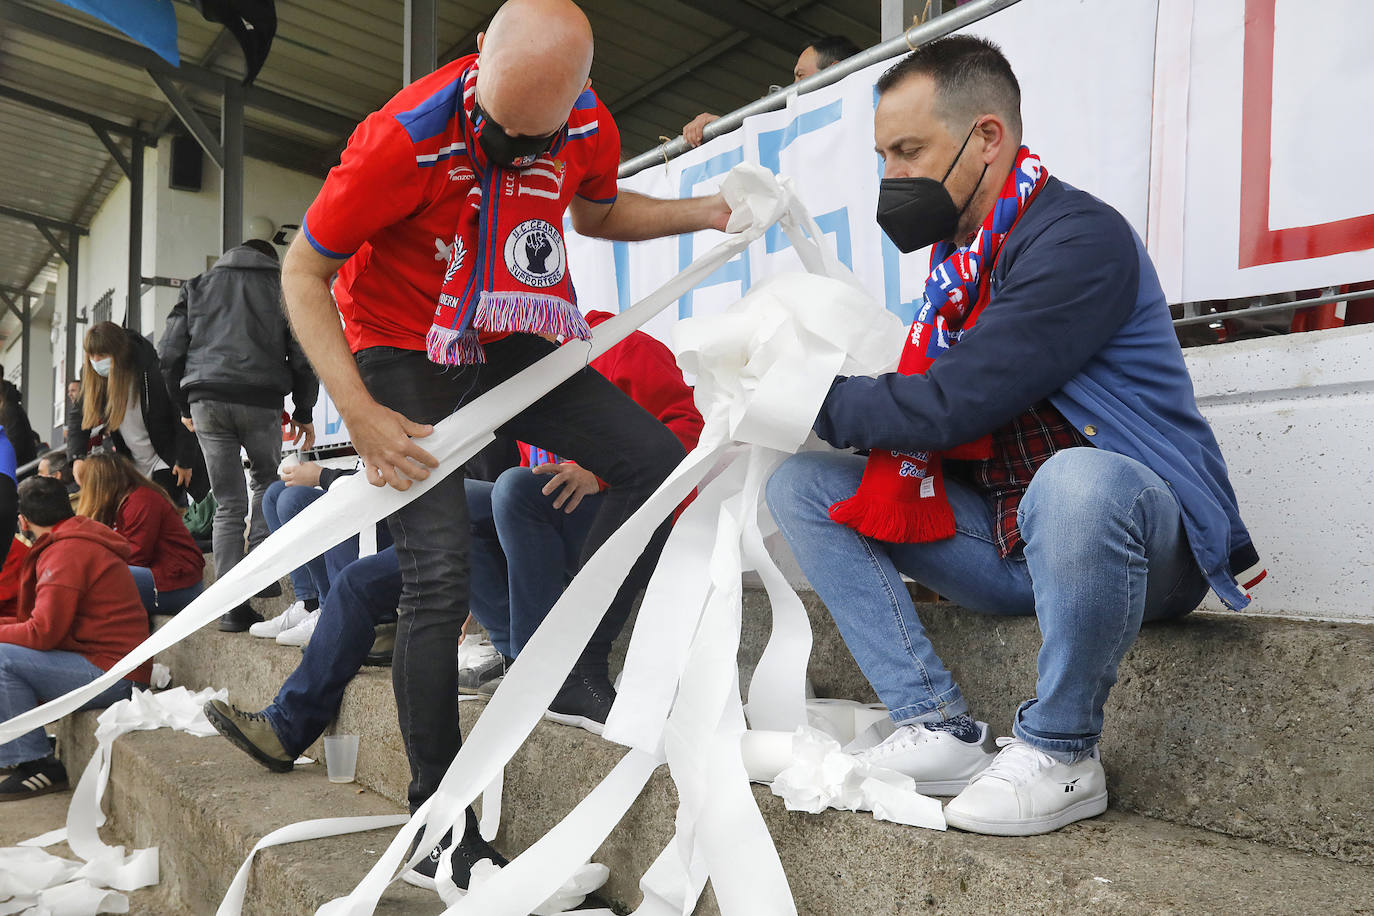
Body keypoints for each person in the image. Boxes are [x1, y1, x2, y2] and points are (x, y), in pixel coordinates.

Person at [279, 0, 732, 886]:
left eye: (533, 143)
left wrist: (707, 212)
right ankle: (435, 818)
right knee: (437, 572)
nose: (509, 152)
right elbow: (304, 269)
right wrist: (360, 411)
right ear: (478, 59)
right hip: (403, 343)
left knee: (652, 461)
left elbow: (598, 214)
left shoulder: (588, 123)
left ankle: (573, 661)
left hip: (509, 323)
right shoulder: (400, 139)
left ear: (576, 101)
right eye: (495, 129)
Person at [765, 36, 1263, 837]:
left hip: (1137, 549)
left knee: (1075, 479)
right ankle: (936, 726)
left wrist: (795, 394)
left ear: (986, 137)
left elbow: (950, 405)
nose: (892, 176)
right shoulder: (958, 265)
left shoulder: (1078, 240)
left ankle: (1063, 753)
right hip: (1012, 544)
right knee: (803, 487)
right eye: (883, 155)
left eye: (909, 150)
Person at [460, 310, 704, 728]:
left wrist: (601, 476)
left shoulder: (621, 344)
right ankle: (521, 661)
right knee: (455, 499)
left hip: (638, 516)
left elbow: (690, 430)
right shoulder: (521, 379)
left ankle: (549, 670)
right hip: (563, 524)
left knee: (515, 487)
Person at [158, 239, 320, 633]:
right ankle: (261, 574)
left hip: (206, 400)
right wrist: (303, 410)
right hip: (260, 399)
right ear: (271, 259)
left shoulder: (197, 285)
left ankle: (231, 606)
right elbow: (303, 353)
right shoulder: (280, 285)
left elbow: (168, 352)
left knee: (228, 503)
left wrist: (184, 406)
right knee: (267, 480)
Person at [0, 477, 151, 801]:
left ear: (22, 521)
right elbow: (37, 623)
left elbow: (41, 632)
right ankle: (18, 747)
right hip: (109, 664)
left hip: (116, 676)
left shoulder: (66, 551)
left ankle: (36, 763)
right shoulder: (72, 538)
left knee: (1, 658)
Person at [68, 322, 209, 508]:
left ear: (119, 352)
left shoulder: (152, 372)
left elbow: (181, 415)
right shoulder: (97, 380)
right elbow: (78, 417)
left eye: (102, 355)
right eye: (91, 355)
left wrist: (184, 460)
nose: (96, 361)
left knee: (162, 513)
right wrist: (77, 457)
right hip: (134, 466)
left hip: (167, 460)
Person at [251, 459, 392, 646]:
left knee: (292, 500)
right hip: (362, 493)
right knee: (275, 494)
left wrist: (321, 475)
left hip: (386, 515)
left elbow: (382, 478)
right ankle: (309, 603)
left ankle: (331, 610)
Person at [76, 452, 205, 620]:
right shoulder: (125, 501)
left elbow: (136, 556)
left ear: (98, 484)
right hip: (164, 580)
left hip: (180, 586)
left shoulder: (141, 501)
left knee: (94, 578)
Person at [681, 34, 860, 147]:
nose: (793, 87)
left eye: (801, 75)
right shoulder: (799, 131)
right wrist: (719, 127)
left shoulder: (865, 115)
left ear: (833, 71)